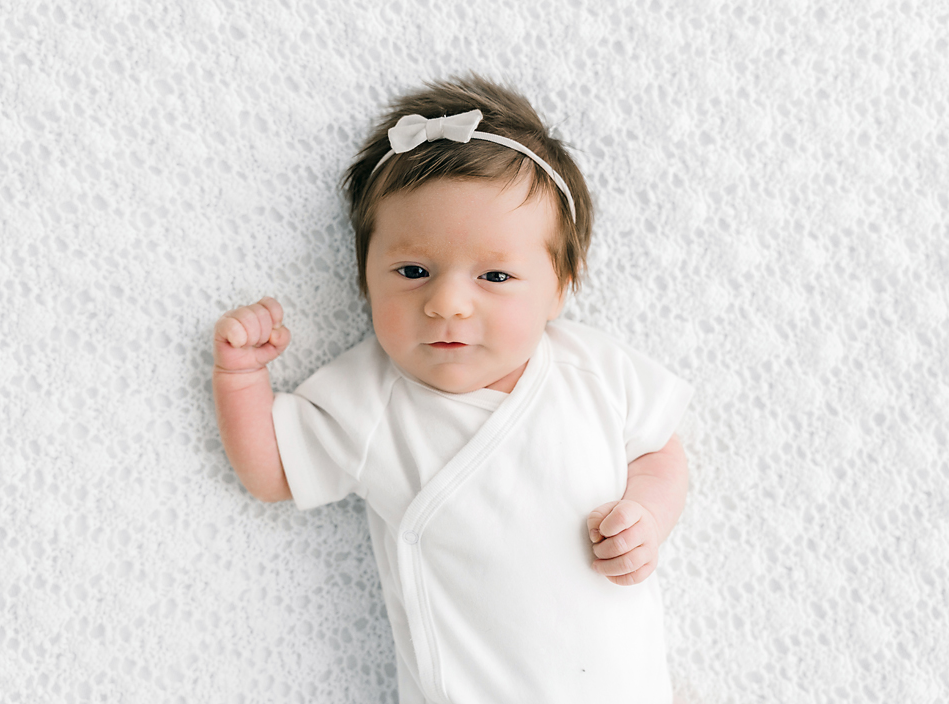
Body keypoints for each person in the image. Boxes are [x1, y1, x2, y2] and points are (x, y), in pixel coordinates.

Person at [212, 75, 694, 703]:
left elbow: (660, 450)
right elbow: (273, 472)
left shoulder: (594, 371)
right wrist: (240, 377)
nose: (447, 304)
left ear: (560, 285)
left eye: (494, 276)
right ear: (364, 278)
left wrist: (648, 515)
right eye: (413, 271)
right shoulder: (371, 397)